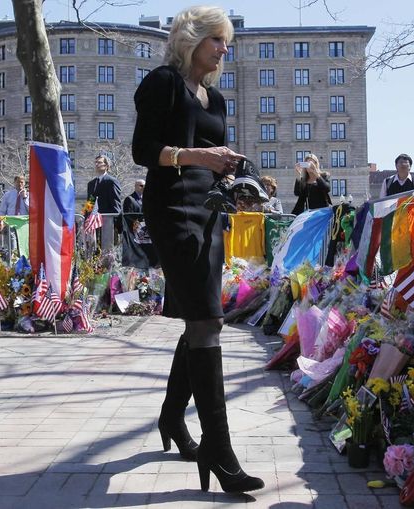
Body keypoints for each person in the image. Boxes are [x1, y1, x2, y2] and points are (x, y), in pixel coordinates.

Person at [131, 5, 263, 494]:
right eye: (217, 40)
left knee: (202, 316)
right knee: (206, 321)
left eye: (226, 41)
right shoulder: (162, 83)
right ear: (192, 39)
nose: (224, 49)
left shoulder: (217, 97)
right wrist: (197, 156)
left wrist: (231, 170)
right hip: (171, 208)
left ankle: (171, 418)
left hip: (210, 210)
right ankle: (220, 449)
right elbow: (143, 151)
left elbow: (212, 156)